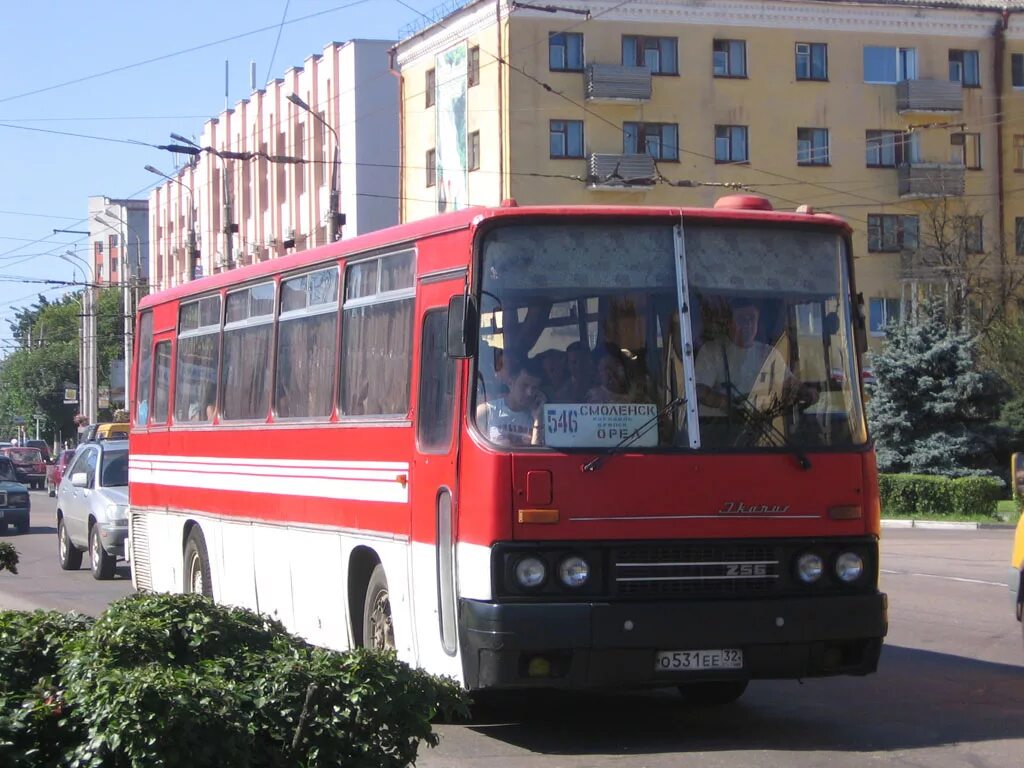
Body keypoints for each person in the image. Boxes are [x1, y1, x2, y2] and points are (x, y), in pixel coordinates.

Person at [693, 298, 814, 440]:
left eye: (752, 319)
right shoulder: (712, 352)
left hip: (758, 431)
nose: (748, 324)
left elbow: (790, 383)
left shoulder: (767, 353)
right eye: (742, 319)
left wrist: (806, 392)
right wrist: (727, 403)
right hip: (715, 432)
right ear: (729, 322)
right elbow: (700, 391)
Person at [476, 355, 545, 446]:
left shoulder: (539, 417)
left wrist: (538, 420)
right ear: (510, 383)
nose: (529, 393)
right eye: (524, 385)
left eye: (534, 388)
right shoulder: (486, 412)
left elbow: (538, 458)